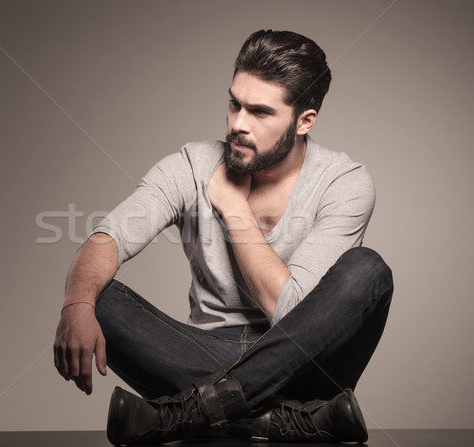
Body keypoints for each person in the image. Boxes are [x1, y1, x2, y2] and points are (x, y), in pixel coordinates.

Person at [53, 30, 393, 445]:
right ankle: (284, 420)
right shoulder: (192, 165)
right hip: (204, 353)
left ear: (304, 120)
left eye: (260, 112)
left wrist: (234, 208)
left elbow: (295, 315)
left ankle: (189, 413)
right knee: (96, 294)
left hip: (305, 364)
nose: (237, 124)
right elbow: (108, 237)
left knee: (367, 270)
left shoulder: (344, 183)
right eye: (234, 103)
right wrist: (76, 304)